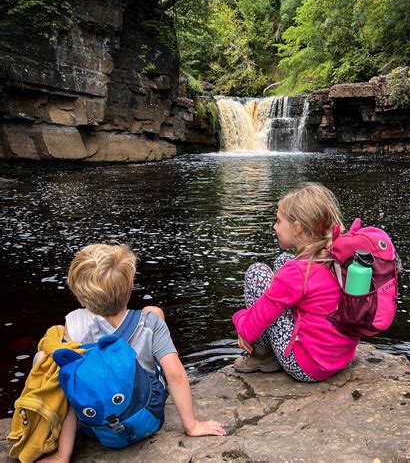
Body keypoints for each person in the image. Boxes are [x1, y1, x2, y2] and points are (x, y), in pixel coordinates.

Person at [44, 244, 225, 462]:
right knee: (153, 311)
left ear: (81, 298)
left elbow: (68, 391)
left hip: (98, 428)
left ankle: (63, 453)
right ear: (130, 286)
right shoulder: (149, 323)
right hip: (148, 416)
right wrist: (192, 425)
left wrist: (62, 456)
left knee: (75, 378)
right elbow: (175, 374)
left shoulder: (73, 324)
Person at [232, 182, 359, 382]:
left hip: (307, 366)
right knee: (283, 261)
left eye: (278, 221)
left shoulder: (298, 272)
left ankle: (263, 356)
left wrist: (241, 319)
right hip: (339, 356)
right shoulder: (334, 255)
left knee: (257, 273)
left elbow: (250, 327)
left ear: (297, 228)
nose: (274, 226)